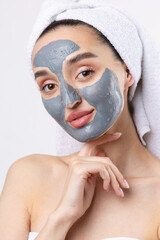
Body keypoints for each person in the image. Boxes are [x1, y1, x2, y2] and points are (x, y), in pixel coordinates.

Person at [0, 1, 160, 240]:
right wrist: (63, 216)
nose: (68, 99)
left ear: (128, 71)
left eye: (85, 72)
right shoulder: (28, 176)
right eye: (49, 86)